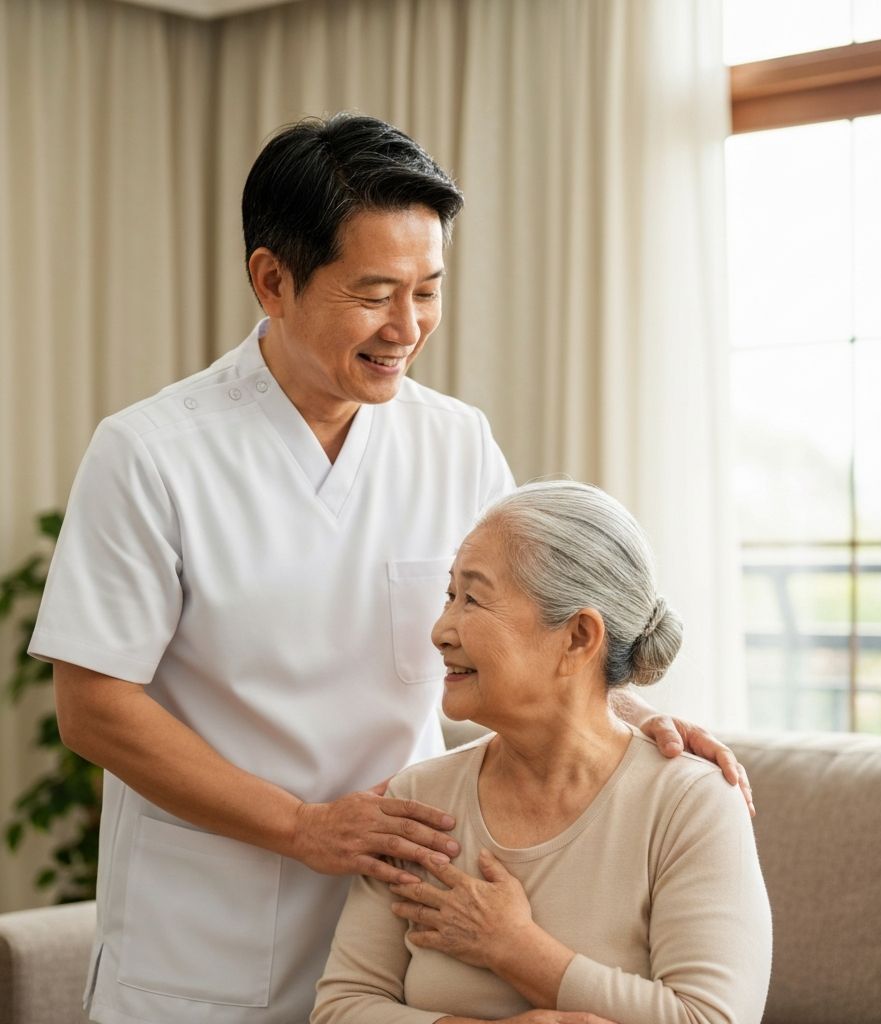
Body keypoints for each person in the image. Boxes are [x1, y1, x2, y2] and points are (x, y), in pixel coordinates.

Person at [28, 114, 750, 1024]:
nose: (407, 328)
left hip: (401, 935)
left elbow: (527, 628)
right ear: (272, 281)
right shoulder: (150, 454)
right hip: (203, 944)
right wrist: (304, 826)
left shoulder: (454, 441)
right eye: (374, 293)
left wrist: (636, 714)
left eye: (428, 291)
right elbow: (94, 707)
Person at [313, 482, 772, 1024]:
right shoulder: (419, 800)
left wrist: (514, 948)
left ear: (577, 637)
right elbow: (340, 1009)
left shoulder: (690, 805)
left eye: (474, 598)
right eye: (449, 596)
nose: (440, 631)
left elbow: (710, 1019)